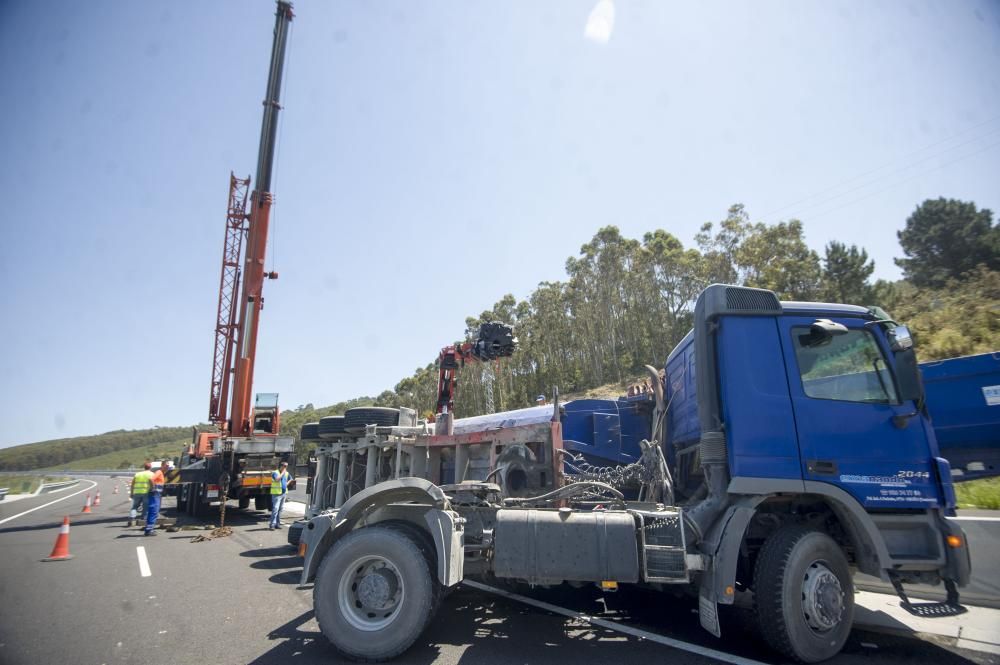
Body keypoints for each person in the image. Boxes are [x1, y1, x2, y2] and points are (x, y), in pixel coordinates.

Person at [144, 461, 168, 536]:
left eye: (168, 466)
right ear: (162, 465)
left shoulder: (161, 473)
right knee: (154, 511)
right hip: (155, 494)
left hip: (157, 494)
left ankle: (149, 529)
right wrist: (153, 488)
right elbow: (151, 479)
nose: (167, 467)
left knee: (154, 511)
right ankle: (149, 530)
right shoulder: (159, 472)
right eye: (166, 465)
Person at [128, 462, 154, 527]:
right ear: (150, 467)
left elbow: (132, 484)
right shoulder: (152, 474)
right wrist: (152, 490)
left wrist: (131, 493)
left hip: (137, 493)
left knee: (134, 507)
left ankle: (132, 519)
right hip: (146, 493)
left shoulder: (138, 474)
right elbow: (152, 483)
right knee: (145, 508)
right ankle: (143, 520)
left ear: (144, 467)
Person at [269, 461, 290, 530]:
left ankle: (277, 524)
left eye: (286, 466)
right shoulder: (275, 472)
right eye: (284, 466)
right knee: (275, 509)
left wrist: (286, 484)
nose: (285, 467)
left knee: (280, 509)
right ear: (281, 466)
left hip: (283, 494)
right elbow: (277, 479)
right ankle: (272, 524)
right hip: (276, 494)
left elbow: (291, 479)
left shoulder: (287, 473)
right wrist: (283, 473)